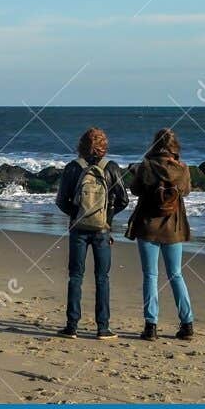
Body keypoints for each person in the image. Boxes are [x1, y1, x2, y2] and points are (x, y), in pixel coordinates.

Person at [54, 127, 128, 339]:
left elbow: (61, 201)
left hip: (78, 229)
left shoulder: (72, 168)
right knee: (102, 278)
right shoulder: (111, 167)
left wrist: (77, 215)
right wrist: (105, 219)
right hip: (102, 231)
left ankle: (72, 326)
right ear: (104, 146)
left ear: (81, 145)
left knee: (76, 276)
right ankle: (103, 328)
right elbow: (123, 200)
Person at [125, 128, 195, 341]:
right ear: (175, 147)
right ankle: (187, 323)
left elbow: (135, 190)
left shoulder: (146, 166)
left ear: (155, 145)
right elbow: (187, 191)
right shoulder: (182, 169)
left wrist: (137, 173)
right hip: (173, 227)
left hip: (148, 225)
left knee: (150, 275)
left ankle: (151, 326)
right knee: (176, 274)